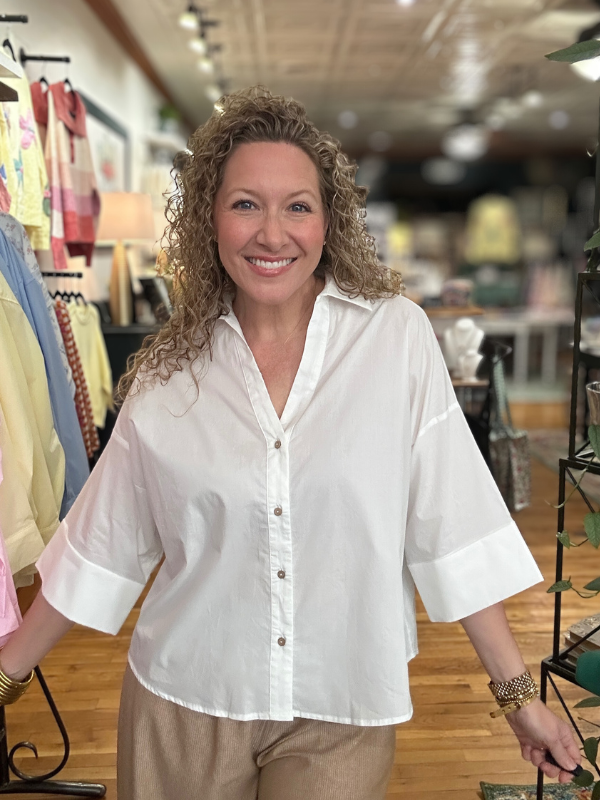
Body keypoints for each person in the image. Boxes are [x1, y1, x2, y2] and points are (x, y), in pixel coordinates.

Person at [0, 87, 581, 799]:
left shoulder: (395, 338)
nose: (272, 235)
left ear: (328, 221)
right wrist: (7, 674)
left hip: (342, 704)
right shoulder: (166, 373)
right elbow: (102, 541)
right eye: (246, 204)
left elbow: (450, 527)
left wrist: (519, 698)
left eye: (297, 207)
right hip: (185, 700)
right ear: (209, 219)